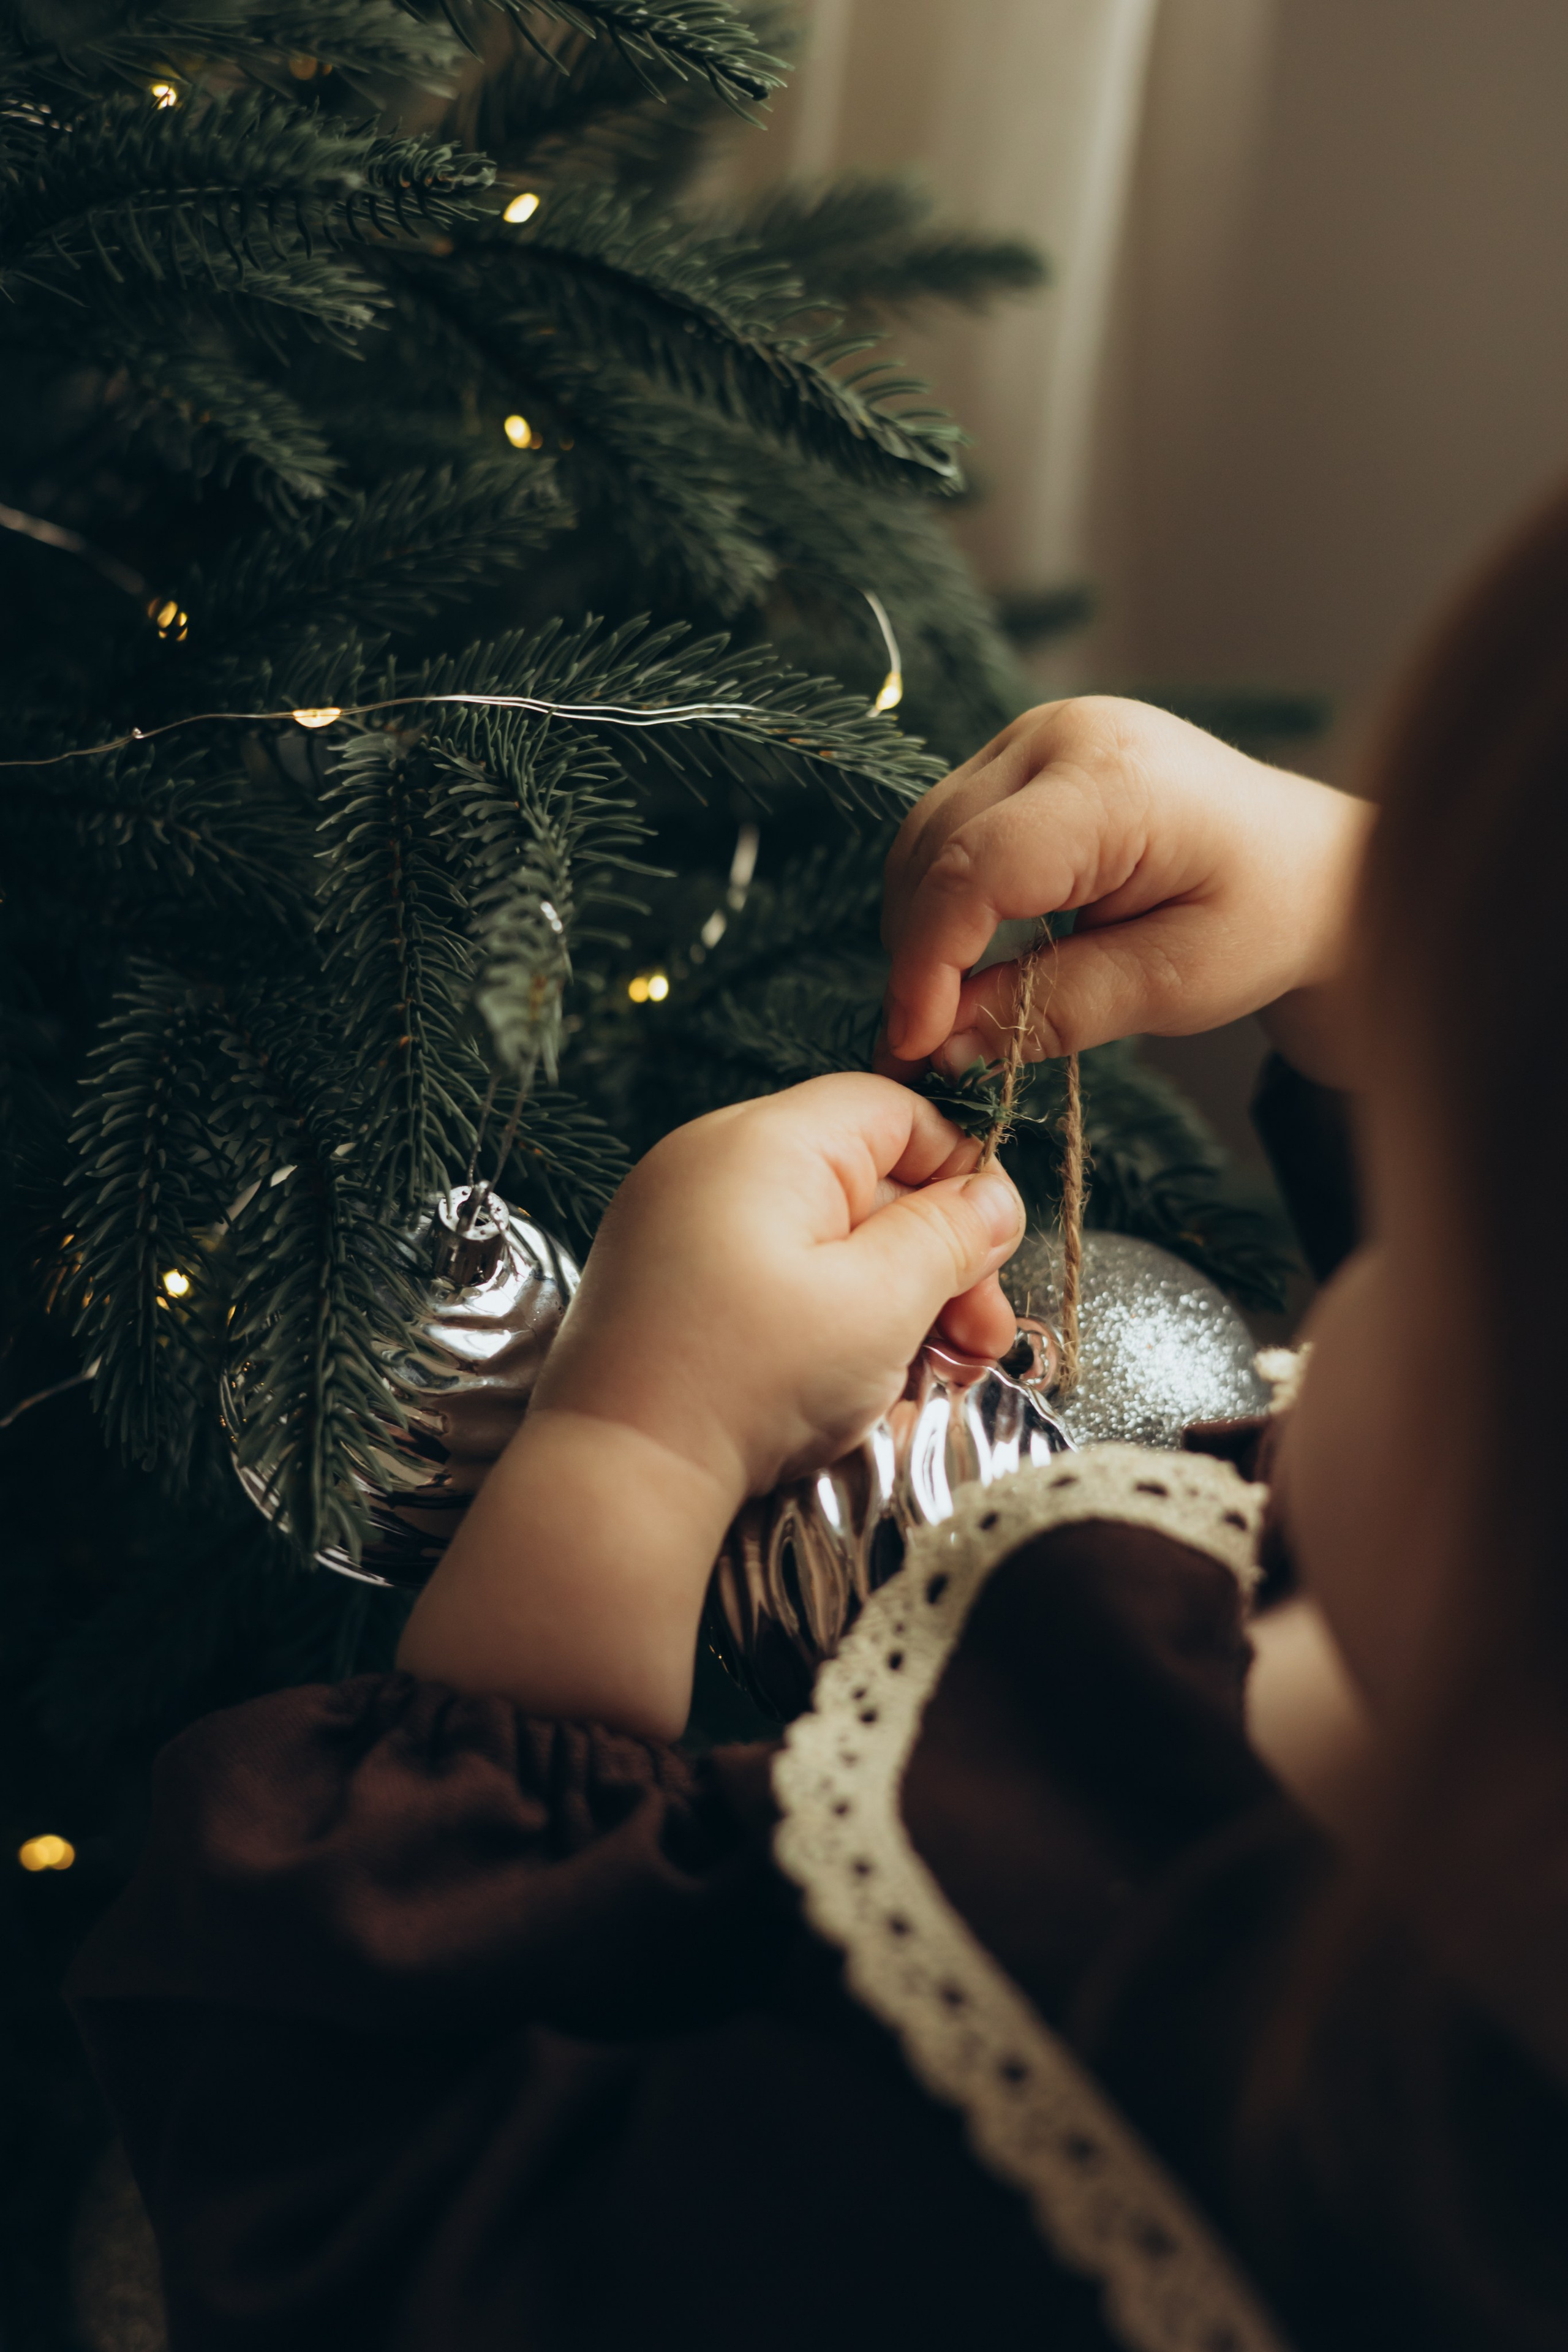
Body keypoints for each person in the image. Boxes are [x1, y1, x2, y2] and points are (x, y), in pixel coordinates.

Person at [66, 481, 1568, 2352]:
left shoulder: (1068, 2166)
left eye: (1458, 1221)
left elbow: (339, 2188)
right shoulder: (1455, 1676)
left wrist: (641, 1444)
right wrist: (1361, 927)